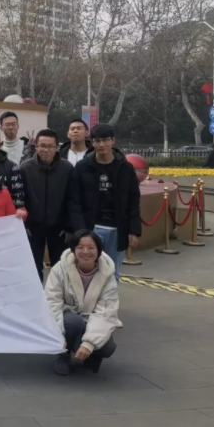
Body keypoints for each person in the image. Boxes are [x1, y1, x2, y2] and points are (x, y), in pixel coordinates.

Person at [69, 124, 141, 281]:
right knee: (87, 272)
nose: (101, 145)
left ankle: (109, 298)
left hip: (117, 229)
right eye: (97, 140)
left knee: (112, 273)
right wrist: (81, 231)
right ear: (92, 142)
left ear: (113, 141)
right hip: (91, 228)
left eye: (106, 140)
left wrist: (134, 230)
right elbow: (75, 202)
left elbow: (133, 200)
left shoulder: (126, 168)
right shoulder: (82, 167)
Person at [45, 230, 119, 376]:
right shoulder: (59, 269)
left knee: (108, 347)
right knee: (73, 322)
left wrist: (89, 344)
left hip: (92, 319)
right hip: (68, 318)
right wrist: (57, 336)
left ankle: (91, 356)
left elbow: (106, 312)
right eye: (80, 247)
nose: (85, 252)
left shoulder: (108, 275)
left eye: (91, 247)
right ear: (73, 249)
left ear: (98, 250)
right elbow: (52, 303)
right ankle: (62, 355)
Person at [20, 129, 74, 280]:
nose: (46, 150)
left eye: (50, 146)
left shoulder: (67, 168)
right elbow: (19, 198)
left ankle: (58, 295)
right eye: (42, 146)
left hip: (59, 228)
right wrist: (24, 225)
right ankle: (36, 295)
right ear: (36, 146)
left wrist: (68, 226)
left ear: (57, 147)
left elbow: (72, 198)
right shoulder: (25, 168)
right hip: (32, 228)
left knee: (60, 269)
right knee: (33, 269)